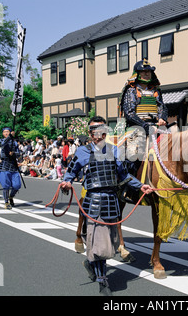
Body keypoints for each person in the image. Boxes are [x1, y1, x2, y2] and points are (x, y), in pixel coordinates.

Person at [60, 116, 153, 295]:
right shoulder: (82, 151)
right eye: (94, 130)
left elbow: (124, 176)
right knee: (101, 245)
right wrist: (66, 183)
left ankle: (90, 263)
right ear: (90, 133)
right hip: (93, 202)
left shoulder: (114, 151)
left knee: (110, 244)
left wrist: (141, 185)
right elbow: (70, 172)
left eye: (101, 130)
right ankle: (103, 281)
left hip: (112, 202)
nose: (98, 134)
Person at [120, 59, 168, 173]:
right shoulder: (131, 90)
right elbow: (129, 112)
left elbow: (162, 107)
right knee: (134, 154)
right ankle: (130, 183)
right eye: (143, 71)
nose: (147, 74)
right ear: (137, 73)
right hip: (137, 127)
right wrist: (144, 125)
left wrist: (162, 118)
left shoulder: (156, 90)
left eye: (149, 71)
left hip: (156, 126)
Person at [0, 127, 22, 209]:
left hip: (13, 165)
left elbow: (19, 154)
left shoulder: (15, 143)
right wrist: (9, 137)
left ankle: (11, 196)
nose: (6, 133)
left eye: (8, 132)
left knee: (17, 185)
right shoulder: (1, 140)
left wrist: (14, 153)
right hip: (4, 165)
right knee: (6, 185)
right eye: (4, 132)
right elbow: (2, 145)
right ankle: (6, 202)